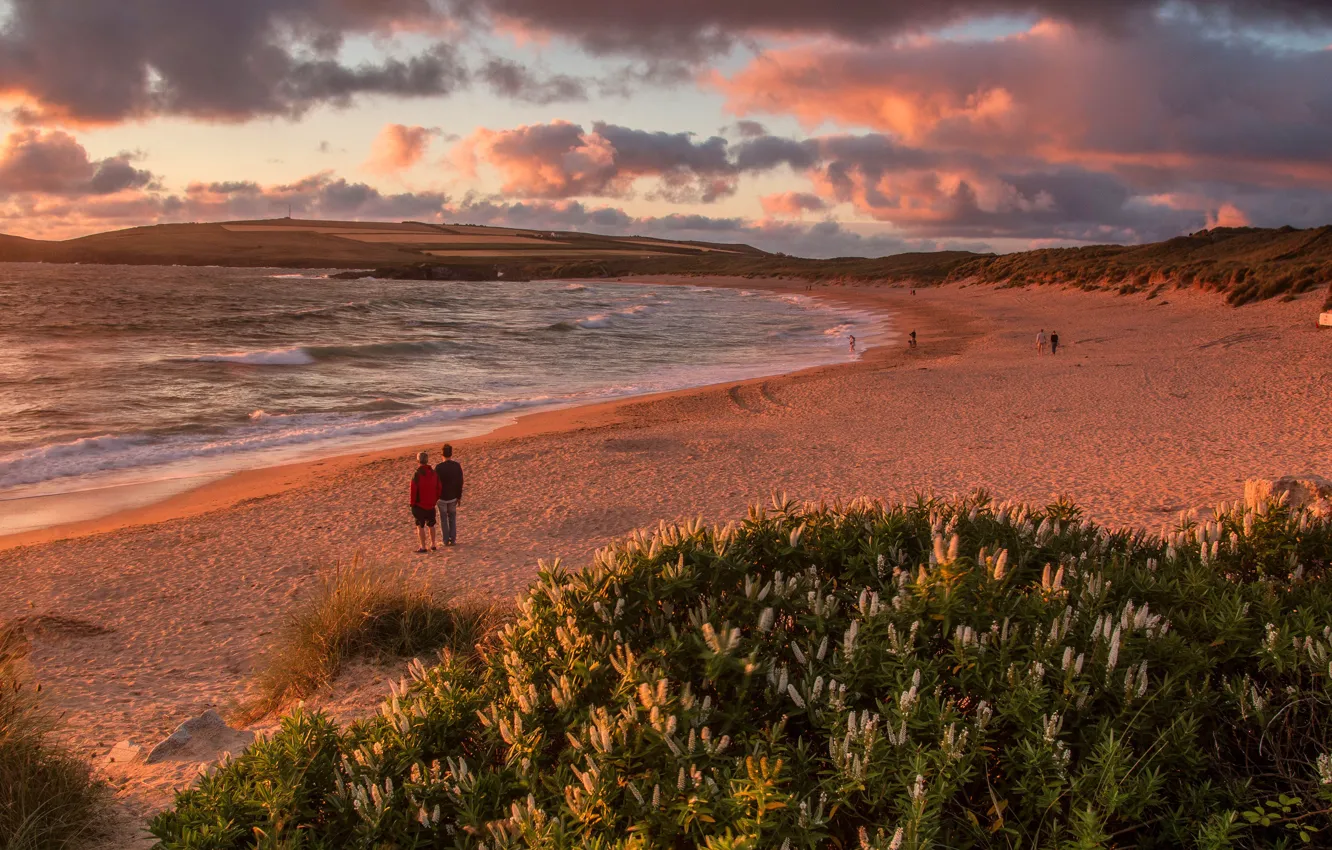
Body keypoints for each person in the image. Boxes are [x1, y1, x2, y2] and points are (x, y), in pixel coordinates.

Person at [409, 451, 442, 553]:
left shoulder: (417, 474)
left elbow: (413, 490)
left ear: (418, 461)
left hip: (420, 505)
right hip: (430, 504)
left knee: (420, 525)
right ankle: (433, 544)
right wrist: (434, 499)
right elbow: (439, 488)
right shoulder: (433, 473)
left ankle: (423, 546)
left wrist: (412, 503)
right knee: (431, 524)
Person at [434, 443, 464, 546]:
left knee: (443, 519)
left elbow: (435, 484)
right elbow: (460, 482)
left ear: (442, 454)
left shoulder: (438, 468)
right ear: (451, 454)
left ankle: (445, 540)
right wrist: (459, 496)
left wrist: (435, 497)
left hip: (442, 497)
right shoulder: (456, 466)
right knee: (452, 518)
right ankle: (453, 539)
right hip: (453, 496)